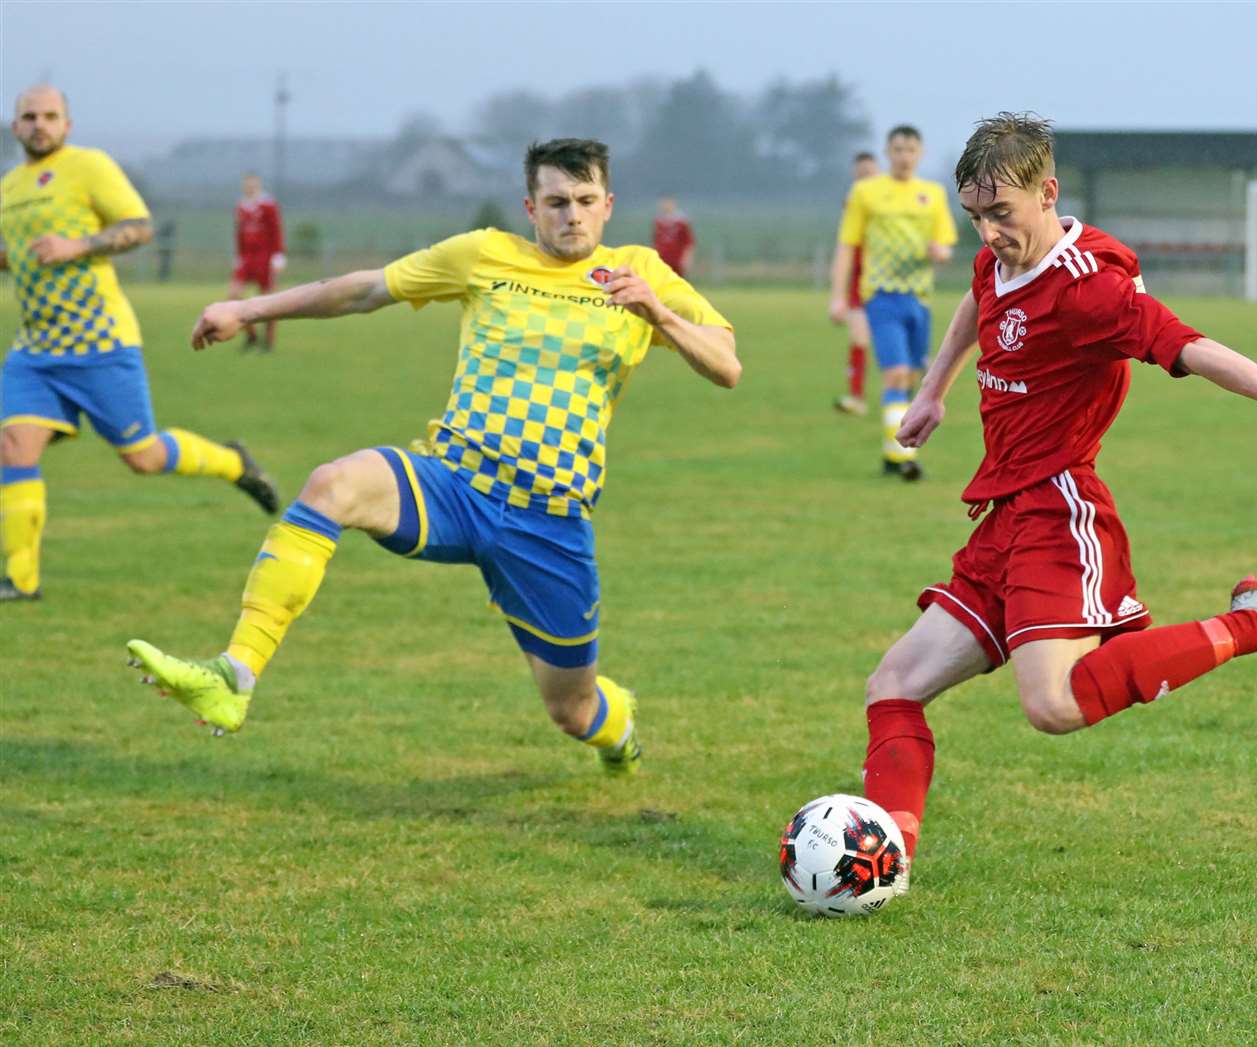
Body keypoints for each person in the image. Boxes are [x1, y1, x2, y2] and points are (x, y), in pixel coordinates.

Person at [856, 114, 1257, 888]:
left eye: (1001, 214)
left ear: (1048, 193)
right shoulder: (998, 258)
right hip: (1002, 516)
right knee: (892, 687)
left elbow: (1183, 342)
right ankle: (886, 863)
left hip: (1058, 509)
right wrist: (933, 391)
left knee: (1055, 704)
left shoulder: (1086, 293)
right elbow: (976, 299)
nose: (988, 232)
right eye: (975, 215)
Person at [125, 139, 741, 775]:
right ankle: (235, 675)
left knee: (572, 710)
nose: (572, 216)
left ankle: (619, 734)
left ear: (608, 205)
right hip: (454, 483)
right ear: (530, 207)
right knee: (331, 484)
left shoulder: (639, 271)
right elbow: (364, 289)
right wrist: (245, 307)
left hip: (548, 523)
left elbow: (727, 365)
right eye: (556, 202)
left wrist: (658, 312)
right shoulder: (483, 255)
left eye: (585, 201)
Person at [0, 85, 279, 603]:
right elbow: (13, 256)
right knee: (12, 445)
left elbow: (139, 226)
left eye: (50, 116)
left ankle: (233, 463)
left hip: (100, 343)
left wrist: (78, 244)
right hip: (36, 351)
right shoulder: (9, 187)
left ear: (67, 124)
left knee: (144, 456)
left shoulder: (88, 166)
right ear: (15, 127)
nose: (40, 124)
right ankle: (21, 580)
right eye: (29, 117)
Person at [828, 125, 957, 480]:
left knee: (914, 378)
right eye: (897, 149)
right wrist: (838, 296)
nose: (904, 156)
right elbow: (847, 245)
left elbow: (945, 242)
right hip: (881, 295)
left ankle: (891, 452)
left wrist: (940, 252)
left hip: (920, 297)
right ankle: (905, 458)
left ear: (920, 154)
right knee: (895, 372)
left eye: (910, 149)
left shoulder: (931, 193)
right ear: (887, 152)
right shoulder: (866, 192)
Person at [832, 151, 879, 417]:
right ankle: (856, 396)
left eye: (870, 173)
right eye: (861, 174)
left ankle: (907, 398)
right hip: (860, 285)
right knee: (859, 339)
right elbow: (844, 249)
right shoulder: (851, 204)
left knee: (900, 350)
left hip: (889, 283)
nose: (865, 178)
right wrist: (837, 296)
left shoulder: (890, 203)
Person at [228, 172, 286, 352]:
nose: (249, 187)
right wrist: (238, 256)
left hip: (265, 257)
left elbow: (276, 230)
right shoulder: (241, 207)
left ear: (258, 185)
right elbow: (239, 233)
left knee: (268, 300)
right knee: (234, 294)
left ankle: (268, 341)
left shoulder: (268, 205)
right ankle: (251, 334)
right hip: (246, 258)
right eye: (247, 184)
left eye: (253, 184)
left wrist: (278, 255)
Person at [652, 195, 694, 279]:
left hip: (676, 258)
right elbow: (656, 240)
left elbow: (688, 241)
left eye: (668, 202)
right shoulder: (659, 221)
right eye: (664, 203)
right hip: (662, 257)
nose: (666, 205)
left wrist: (687, 258)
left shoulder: (681, 221)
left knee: (677, 282)